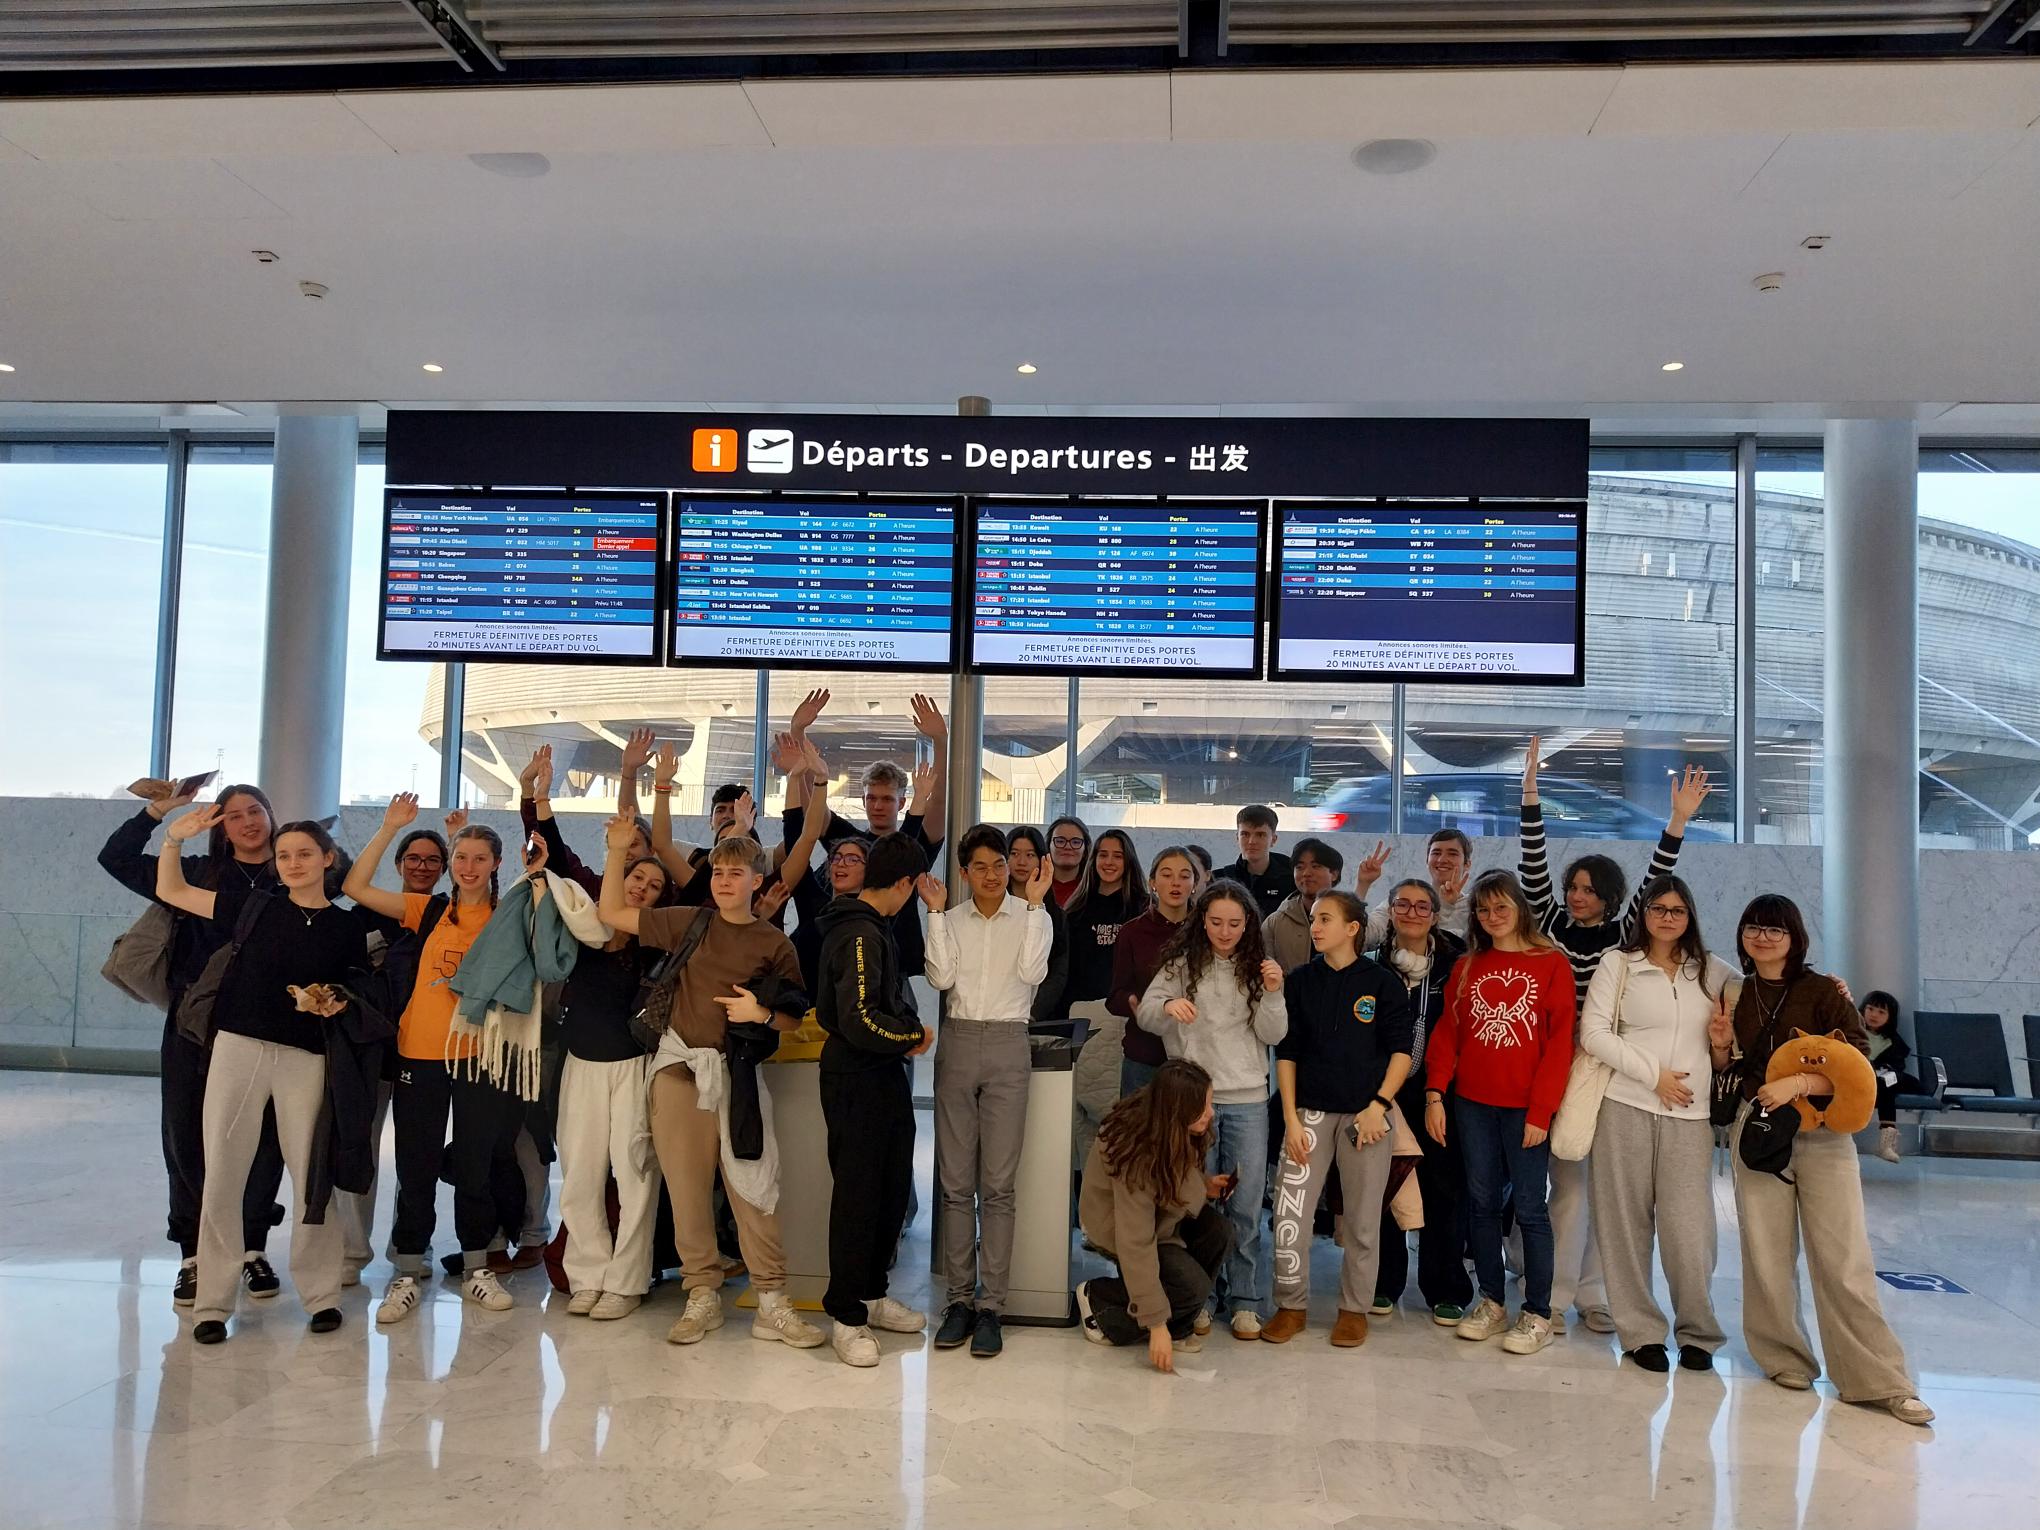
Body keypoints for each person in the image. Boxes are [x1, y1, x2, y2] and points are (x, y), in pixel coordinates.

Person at [1518, 738, 1714, 1336]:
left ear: (1608, 896)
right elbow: (1532, 864)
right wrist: (1530, 793)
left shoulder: (1625, 936)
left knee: (1607, 1191)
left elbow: (1658, 876)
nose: (1576, 896)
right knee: (1566, 1187)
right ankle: (1551, 1296)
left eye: (1588, 889)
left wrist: (1678, 821)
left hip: (1610, 1067)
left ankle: (1597, 1294)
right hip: (1556, 1065)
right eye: (1573, 886)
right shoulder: (1550, 925)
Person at [600, 824, 821, 1346]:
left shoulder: (774, 943)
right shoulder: (689, 921)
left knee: (753, 1187)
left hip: (737, 1076)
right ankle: (701, 1293)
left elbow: (793, 1015)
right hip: (678, 1070)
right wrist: (616, 852)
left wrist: (761, 1014)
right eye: (718, 872)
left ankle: (772, 1300)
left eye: (735, 873)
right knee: (686, 1189)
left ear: (756, 880)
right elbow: (611, 913)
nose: (723, 881)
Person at [155, 809, 367, 1344]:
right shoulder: (254, 907)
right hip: (239, 1047)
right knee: (223, 1170)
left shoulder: (347, 927)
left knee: (309, 1172)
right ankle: (212, 1303)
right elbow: (172, 891)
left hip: (305, 1056)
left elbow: (353, 990)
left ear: (327, 859)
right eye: (284, 855)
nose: (293, 863)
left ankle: (321, 1295)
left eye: (304, 853)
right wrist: (174, 839)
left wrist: (334, 1000)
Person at [1721, 895, 1933, 1425]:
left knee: (1844, 1259)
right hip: (1760, 1131)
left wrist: (1799, 1082)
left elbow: (1857, 1062)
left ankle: (1878, 1379)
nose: (1763, 937)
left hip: (1824, 1132)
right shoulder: (1736, 991)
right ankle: (1784, 1357)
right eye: (1753, 927)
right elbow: (1731, 1065)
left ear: (1795, 937)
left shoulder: (1822, 990)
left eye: (1775, 929)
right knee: (1765, 1254)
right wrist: (1721, 1049)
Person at [99, 779, 286, 1308]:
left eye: (256, 810)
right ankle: (193, 1254)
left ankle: (251, 1248)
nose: (248, 822)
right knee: (185, 1134)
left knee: (264, 1136)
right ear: (219, 826)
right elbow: (115, 858)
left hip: (268, 1022)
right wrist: (160, 813)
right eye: (234, 815)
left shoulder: (291, 872)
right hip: (194, 1024)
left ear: (271, 816)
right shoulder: (196, 874)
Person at [345, 794, 526, 1322]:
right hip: (419, 1053)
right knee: (416, 1164)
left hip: (479, 1055)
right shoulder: (426, 910)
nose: (468, 867)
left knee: (474, 1165)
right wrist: (387, 828)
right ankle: (406, 1271)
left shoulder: (507, 916)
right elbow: (355, 887)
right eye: (460, 857)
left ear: (496, 864)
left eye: (479, 858)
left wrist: (535, 872)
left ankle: (477, 1268)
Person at [1579, 875, 1737, 1373]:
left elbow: (1763, 998)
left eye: (1677, 910)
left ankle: (1698, 1332)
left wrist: (1719, 1048)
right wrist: (1655, 1076)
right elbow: (1594, 1034)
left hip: (1691, 1117)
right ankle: (1641, 1332)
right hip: (1624, 1106)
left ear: (1690, 916)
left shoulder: (1713, 971)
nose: (1668, 918)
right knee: (1624, 1226)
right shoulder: (1618, 964)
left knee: (1690, 1232)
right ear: (1643, 914)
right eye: (1658, 909)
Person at [1423, 870, 1574, 1356]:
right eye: (1484, 910)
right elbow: (1448, 1035)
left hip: (1525, 1109)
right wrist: (1434, 1095)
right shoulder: (1468, 966)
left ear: (1520, 909)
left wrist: (1541, 1112)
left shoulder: (1551, 964)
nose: (1492, 917)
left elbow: (1559, 1045)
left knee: (1530, 1208)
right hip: (1472, 1104)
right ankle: (1491, 1301)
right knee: (1481, 1203)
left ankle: (1538, 1312)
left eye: (1501, 907)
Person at [923, 825, 1054, 1358]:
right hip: (958, 1040)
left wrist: (1037, 906)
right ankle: (958, 1301)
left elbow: (1032, 971)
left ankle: (991, 1306)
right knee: (956, 1184)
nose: (992, 874)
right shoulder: (951, 918)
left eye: (999, 865)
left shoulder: (1031, 915)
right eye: (980, 866)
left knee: (998, 1186)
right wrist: (934, 916)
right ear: (964, 873)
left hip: (1007, 1041)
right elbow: (940, 979)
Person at [1136, 879, 1288, 1340]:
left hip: (1247, 1100)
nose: (1225, 932)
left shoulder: (1258, 968)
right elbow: (1145, 1015)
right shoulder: (1180, 964)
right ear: (1202, 920)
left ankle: (1244, 1300)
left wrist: (1274, 991)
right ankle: (1199, 1296)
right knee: (1192, 1203)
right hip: (1192, 1103)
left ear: (1248, 924)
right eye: (1217, 922)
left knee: (1244, 1206)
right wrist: (1168, 1005)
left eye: (1234, 924)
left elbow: (1275, 1035)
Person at [1263, 891, 1412, 1349]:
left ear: (1352, 928)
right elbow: (1286, 1053)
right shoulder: (1301, 981)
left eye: (1325, 918)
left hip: (1366, 1116)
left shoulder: (1382, 983)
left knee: (1363, 1220)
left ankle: (1353, 1310)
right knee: (1291, 1214)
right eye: (1313, 918)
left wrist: (1379, 1105)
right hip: (1308, 1113)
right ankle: (1291, 1306)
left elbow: (1401, 1052)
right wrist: (1290, 1119)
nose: (1315, 926)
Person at [814, 831, 935, 1367]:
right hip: (855, 1077)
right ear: (905, 883)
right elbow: (858, 1019)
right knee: (859, 1196)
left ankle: (872, 1292)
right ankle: (846, 1314)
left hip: (883, 1075)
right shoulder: (857, 934)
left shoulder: (875, 928)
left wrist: (905, 1032)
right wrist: (910, 1036)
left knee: (890, 1189)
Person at [552, 847, 670, 1318]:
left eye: (653, 886)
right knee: (580, 1174)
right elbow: (558, 862)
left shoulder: (653, 949)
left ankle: (626, 1281)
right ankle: (587, 1276)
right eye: (636, 878)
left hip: (633, 1068)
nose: (642, 888)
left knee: (635, 1173)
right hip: (580, 1065)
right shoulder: (582, 933)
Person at [336, 820, 449, 1286]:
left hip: (423, 1054)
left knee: (417, 1154)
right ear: (399, 864)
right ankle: (349, 1249)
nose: (422, 867)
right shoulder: (364, 915)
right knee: (358, 1145)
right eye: (414, 858)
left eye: (433, 860)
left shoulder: (446, 917)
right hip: (368, 1050)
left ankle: (410, 1245)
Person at [1075, 1059, 1234, 1372]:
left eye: (1209, 1103)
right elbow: (1135, 1240)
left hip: (1162, 1219)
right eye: (1203, 1107)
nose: (1211, 1113)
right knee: (1192, 1288)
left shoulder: (1169, 1124)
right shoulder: (1132, 1150)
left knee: (1220, 1232)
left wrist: (1204, 1185)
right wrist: (1156, 1324)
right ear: (1178, 1109)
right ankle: (1099, 1300)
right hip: (1121, 1229)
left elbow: (1171, 1170)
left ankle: (1179, 1319)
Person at [1366, 878, 1473, 1325]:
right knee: (1383, 1184)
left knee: (1444, 1188)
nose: (1412, 913)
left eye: (1422, 906)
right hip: (1383, 1094)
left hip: (1441, 1092)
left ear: (1435, 914)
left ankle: (1446, 1286)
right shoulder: (1372, 965)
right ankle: (1382, 1282)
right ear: (1390, 911)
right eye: (1403, 905)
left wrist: (1439, 1092)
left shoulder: (1458, 963)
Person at [788, 686, 948, 982]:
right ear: (863, 800)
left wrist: (941, 741)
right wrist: (797, 731)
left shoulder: (916, 843)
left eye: (887, 799)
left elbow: (937, 803)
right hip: (839, 953)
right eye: (871, 798)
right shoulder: (849, 841)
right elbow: (811, 808)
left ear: (902, 802)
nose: (878, 805)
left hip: (894, 965)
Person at [1063, 829, 1148, 1011]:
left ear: (1128, 861)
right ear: (1094, 860)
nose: (1109, 862)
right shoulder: (1075, 910)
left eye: (1118, 856)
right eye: (1103, 855)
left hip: (1127, 1009)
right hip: (1079, 1008)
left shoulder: (1144, 907)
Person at [1359, 829, 1475, 943]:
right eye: (1436, 853)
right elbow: (1362, 934)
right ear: (1427, 860)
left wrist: (1445, 906)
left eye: (1452, 854)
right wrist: (1363, 884)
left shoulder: (1475, 907)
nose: (1442, 859)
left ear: (1467, 864)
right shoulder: (1403, 899)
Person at [1005, 826, 1069, 1024]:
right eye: (1014, 853)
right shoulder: (993, 907)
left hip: (1038, 1017)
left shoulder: (1055, 915)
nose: (1021, 862)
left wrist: (1034, 1012)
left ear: (1042, 860)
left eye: (1030, 855)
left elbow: (1058, 972)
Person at [1261, 836, 1342, 974]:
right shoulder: (1275, 922)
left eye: (1315, 866)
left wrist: (1363, 883)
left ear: (1334, 874)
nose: (1306, 873)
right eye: (1299, 867)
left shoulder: (1346, 918)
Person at [1861, 991, 1917, 1164]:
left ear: (1890, 1017)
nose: (1874, 1015)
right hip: (1866, 1078)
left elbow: (1898, 1064)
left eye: (1881, 1012)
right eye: (1870, 1009)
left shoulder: (1892, 1040)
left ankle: (1887, 1142)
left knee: (1889, 1081)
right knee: (1885, 1086)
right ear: (1863, 1009)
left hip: (1889, 1077)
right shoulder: (1854, 1033)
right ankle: (1886, 1142)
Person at [1219, 804, 1293, 919]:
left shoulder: (1291, 880)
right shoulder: (1221, 880)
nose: (1252, 841)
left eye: (1260, 835)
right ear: (1237, 838)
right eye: (1245, 834)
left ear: (1273, 840)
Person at [1045, 817, 1091, 908]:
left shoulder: (1094, 889)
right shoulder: (1034, 886)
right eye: (1060, 841)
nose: (1068, 847)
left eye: (1076, 842)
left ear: (1085, 850)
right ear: (1048, 846)